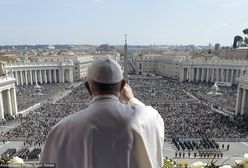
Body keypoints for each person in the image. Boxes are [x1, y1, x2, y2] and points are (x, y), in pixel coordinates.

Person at [40, 58, 164, 168]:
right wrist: (132, 100)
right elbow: (151, 117)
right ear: (122, 87)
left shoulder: (61, 130)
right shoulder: (146, 118)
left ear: (88, 87)